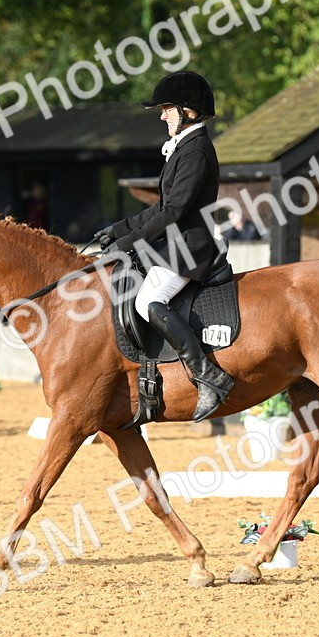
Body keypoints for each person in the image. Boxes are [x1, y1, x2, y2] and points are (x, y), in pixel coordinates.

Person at [95, 71, 233, 422]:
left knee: (149, 301)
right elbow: (160, 207)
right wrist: (118, 230)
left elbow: (174, 211)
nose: (161, 116)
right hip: (174, 244)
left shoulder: (197, 151)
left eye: (167, 109)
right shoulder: (185, 148)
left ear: (187, 110)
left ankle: (208, 375)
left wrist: (127, 245)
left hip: (191, 247)